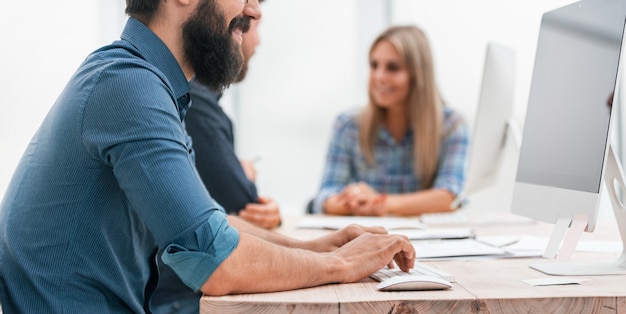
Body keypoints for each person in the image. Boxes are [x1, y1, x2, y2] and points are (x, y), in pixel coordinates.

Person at [0, 0, 416, 312]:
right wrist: (340, 265)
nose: (254, 10)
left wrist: (319, 249)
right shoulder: (129, 87)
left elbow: (209, 226)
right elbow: (218, 263)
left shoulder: (150, 85)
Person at [312, 25, 469, 216]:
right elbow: (326, 195)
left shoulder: (451, 126)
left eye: (392, 68)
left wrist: (380, 203)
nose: (379, 76)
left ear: (418, 75)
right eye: (374, 65)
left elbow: (451, 196)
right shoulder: (347, 125)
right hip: (367, 239)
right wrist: (355, 200)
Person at [184, 0, 281, 230]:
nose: (257, 41)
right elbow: (242, 204)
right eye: (249, 25)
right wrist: (244, 176)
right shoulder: (194, 103)